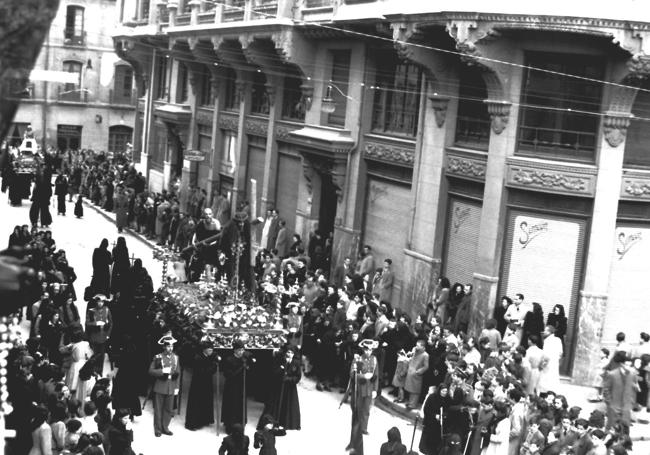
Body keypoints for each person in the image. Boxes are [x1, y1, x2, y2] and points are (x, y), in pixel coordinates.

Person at [261, 347, 301, 430]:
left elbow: (298, 376)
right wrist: (282, 367)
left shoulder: (296, 363)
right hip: (279, 387)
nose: (289, 354)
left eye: (291, 353)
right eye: (288, 352)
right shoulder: (281, 361)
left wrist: (289, 379)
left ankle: (286, 422)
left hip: (290, 388)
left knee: (288, 405)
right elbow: (274, 372)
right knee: (277, 404)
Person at [148, 334, 180, 437]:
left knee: (169, 409)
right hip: (160, 386)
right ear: (164, 347)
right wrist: (162, 371)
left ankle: (165, 427)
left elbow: (178, 373)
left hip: (171, 387)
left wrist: (177, 387)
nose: (170, 348)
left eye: (172, 346)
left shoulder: (176, 358)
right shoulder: (158, 357)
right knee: (158, 409)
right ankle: (157, 429)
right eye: (168, 346)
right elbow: (151, 371)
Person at [185, 340, 219, 431]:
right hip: (198, 384)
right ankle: (193, 423)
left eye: (212, 350)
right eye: (209, 350)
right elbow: (202, 371)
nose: (211, 352)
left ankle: (204, 420)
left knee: (205, 401)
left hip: (206, 383)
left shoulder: (209, 356)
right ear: (204, 350)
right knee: (197, 402)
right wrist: (213, 367)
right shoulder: (198, 358)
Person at [603, 351, 638, 431]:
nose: (628, 367)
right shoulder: (612, 374)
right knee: (611, 431)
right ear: (622, 364)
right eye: (626, 364)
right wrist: (610, 403)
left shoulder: (632, 375)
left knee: (624, 433)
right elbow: (606, 390)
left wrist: (631, 403)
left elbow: (633, 389)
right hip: (614, 407)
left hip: (626, 408)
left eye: (630, 365)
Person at [222, 340, 250, 434]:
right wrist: (242, 367)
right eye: (239, 350)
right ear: (234, 350)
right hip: (231, 387)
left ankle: (240, 425)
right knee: (231, 406)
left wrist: (247, 368)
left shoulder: (244, 359)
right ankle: (229, 426)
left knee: (240, 406)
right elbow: (229, 375)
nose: (241, 352)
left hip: (241, 387)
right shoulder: (229, 359)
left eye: (243, 350)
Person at [85, 295, 112, 375]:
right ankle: (93, 372)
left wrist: (108, 334)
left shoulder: (107, 310)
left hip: (103, 336)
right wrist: (95, 323)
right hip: (94, 336)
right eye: (98, 302)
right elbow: (87, 323)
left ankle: (99, 372)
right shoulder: (91, 311)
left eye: (102, 302)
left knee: (101, 356)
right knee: (94, 356)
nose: (100, 303)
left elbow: (111, 323)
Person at [404, 339, 429, 409]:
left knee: (415, 391)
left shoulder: (425, 355)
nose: (416, 347)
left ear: (423, 347)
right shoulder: (415, 351)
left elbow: (426, 366)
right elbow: (411, 358)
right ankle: (410, 403)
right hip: (411, 372)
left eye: (418, 346)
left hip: (416, 374)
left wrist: (418, 372)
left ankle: (413, 404)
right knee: (410, 389)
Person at [539, 325, 563, 393]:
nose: (544, 332)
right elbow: (560, 353)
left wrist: (541, 365)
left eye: (546, 330)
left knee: (545, 380)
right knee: (553, 379)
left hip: (548, 363)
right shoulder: (558, 340)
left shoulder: (547, 341)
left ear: (550, 332)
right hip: (555, 363)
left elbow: (545, 355)